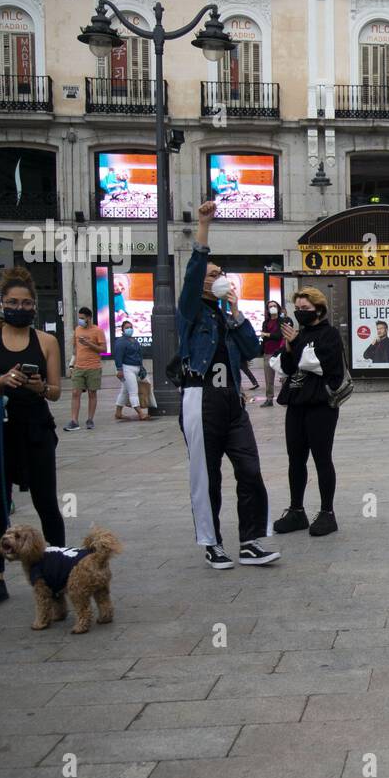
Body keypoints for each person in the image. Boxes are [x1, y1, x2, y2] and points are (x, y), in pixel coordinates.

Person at [176, 200, 278, 570]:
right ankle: (211, 542)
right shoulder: (190, 310)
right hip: (200, 398)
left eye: (221, 273)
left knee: (249, 468)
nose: (218, 277)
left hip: (232, 401)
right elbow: (192, 271)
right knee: (207, 475)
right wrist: (203, 225)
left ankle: (251, 540)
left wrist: (236, 314)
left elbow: (253, 349)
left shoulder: (223, 315)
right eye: (212, 273)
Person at [0, 265, 66, 609]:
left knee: (48, 504)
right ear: (2, 303)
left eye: (26, 304)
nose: (19, 308)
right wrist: (1, 381)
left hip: (37, 430)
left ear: (34, 306)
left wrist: (41, 387)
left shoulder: (47, 341)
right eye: (13, 302)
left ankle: (57, 572)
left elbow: (55, 391)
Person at [272, 288, 344, 538]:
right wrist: (289, 346)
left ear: (319, 310)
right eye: (298, 309)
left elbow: (319, 365)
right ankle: (296, 510)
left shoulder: (330, 335)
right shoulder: (298, 335)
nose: (300, 313)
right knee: (296, 459)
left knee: (322, 458)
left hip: (321, 405)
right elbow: (288, 367)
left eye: (305, 309)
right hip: (296, 403)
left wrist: (297, 344)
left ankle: (327, 513)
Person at [64, 306, 106, 432]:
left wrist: (89, 344)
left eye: (82, 318)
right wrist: (72, 365)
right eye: (79, 318)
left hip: (93, 367)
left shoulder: (98, 331)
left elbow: (103, 349)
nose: (80, 320)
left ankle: (90, 419)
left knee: (92, 393)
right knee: (75, 393)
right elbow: (75, 350)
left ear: (89, 318)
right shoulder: (77, 330)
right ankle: (74, 420)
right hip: (79, 366)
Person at [112, 320, 152, 422]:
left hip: (136, 368)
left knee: (124, 391)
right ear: (122, 330)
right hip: (127, 369)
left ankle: (118, 412)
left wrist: (141, 367)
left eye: (130, 327)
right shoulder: (120, 342)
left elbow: (139, 355)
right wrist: (119, 369)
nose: (129, 329)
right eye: (127, 328)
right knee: (133, 391)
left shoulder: (134, 341)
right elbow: (118, 357)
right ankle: (140, 413)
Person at [259, 300, 286, 407]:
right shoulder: (265, 322)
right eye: (270, 306)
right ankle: (269, 399)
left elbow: (279, 335)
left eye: (274, 306)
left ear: (278, 308)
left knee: (283, 377)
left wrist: (267, 334)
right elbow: (264, 336)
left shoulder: (282, 321)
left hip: (279, 353)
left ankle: (285, 398)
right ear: (268, 309)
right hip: (268, 352)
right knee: (268, 378)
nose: (273, 308)